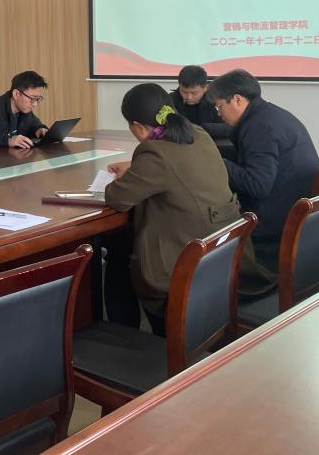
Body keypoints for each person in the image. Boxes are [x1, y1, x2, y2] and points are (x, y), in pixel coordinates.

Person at [102, 83, 247, 334]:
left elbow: (117, 198)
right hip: (220, 253)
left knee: (117, 254)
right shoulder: (197, 133)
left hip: (183, 263)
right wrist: (137, 166)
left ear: (137, 126)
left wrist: (135, 168)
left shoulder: (155, 153)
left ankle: (125, 339)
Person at [206, 69, 319, 270]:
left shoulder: (259, 127)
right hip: (295, 207)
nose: (218, 113)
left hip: (276, 222)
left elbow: (257, 185)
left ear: (237, 100)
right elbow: (252, 158)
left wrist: (215, 161)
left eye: (219, 106)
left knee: (206, 219)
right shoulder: (270, 115)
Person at [0, 71, 50, 148]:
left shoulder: (25, 111)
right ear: (16, 94)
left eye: (37, 99)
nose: (35, 104)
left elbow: (35, 125)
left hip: (13, 157)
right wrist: (7, 141)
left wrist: (39, 130)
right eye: (32, 98)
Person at [169, 65, 231, 139]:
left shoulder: (216, 101)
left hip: (211, 143)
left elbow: (230, 127)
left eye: (194, 93)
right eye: (184, 92)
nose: (189, 97)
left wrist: (201, 128)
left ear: (205, 88)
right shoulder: (169, 100)